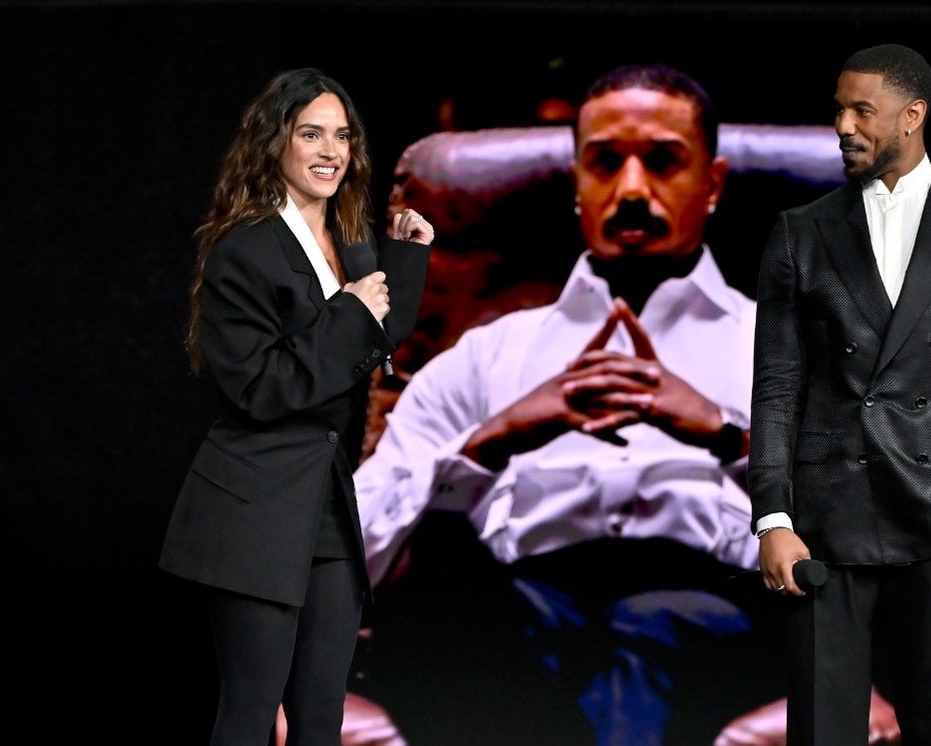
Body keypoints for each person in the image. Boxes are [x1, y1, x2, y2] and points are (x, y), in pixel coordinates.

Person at [350, 62, 899, 746]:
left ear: (713, 184)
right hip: (515, 603)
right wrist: (490, 444)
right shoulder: (484, 359)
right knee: (450, 587)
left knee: (647, 625)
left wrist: (729, 437)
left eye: (664, 162)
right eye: (605, 163)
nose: (632, 189)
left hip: (716, 602)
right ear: (579, 184)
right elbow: (345, 549)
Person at [749, 43, 931, 745]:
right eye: (838, 109)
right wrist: (772, 516)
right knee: (823, 730)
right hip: (826, 520)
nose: (843, 125)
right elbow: (777, 385)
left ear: (912, 116)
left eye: (862, 110)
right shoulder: (801, 231)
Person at [157, 67, 432, 745]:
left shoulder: (349, 240)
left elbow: (369, 346)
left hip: (326, 506)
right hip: (255, 504)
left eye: (341, 135)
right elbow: (262, 388)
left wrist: (405, 261)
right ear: (275, 143)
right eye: (311, 133)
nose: (330, 149)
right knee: (253, 713)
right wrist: (348, 313)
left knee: (321, 717)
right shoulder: (240, 251)